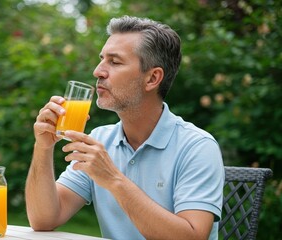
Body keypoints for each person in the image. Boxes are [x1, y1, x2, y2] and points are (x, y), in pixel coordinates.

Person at [25, 15, 224, 240]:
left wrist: (113, 179)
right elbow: (43, 220)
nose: (98, 71)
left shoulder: (197, 147)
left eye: (115, 62)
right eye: (102, 59)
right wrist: (42, 147)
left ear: (152, 79)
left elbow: (192, 237)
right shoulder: (100, 140)